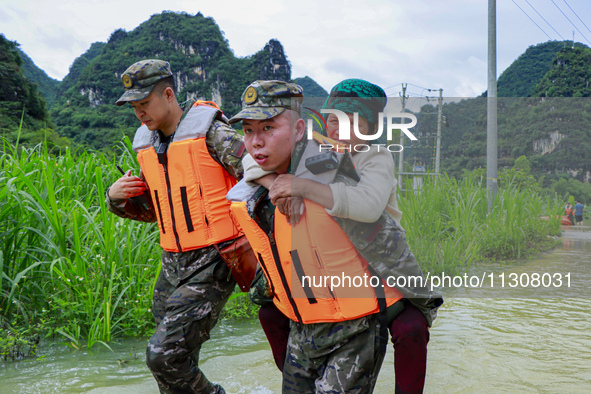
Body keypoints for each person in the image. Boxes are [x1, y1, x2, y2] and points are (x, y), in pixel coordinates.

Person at [241, 78, 442, 394]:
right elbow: (249, 161)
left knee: (410, 327)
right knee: (269, 309)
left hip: (378, 265)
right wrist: (278, 185)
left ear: (368, 127)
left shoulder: (374, 156)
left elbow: (368, 205)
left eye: (348, 121)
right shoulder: (317, 151)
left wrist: (301, 186)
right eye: (332, 120)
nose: (336, 129)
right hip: (328, 270)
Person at [106, 59, 246, 394]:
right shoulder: (147, 145)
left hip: (215, 259)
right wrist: (116, 199)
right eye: (134, 107)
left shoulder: (213, 133)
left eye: (145, 103)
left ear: (168, 94)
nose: (139, 113)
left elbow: (260, 176)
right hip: (172, 265)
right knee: (174, 359)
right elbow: (158, 211)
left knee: (162, 356)